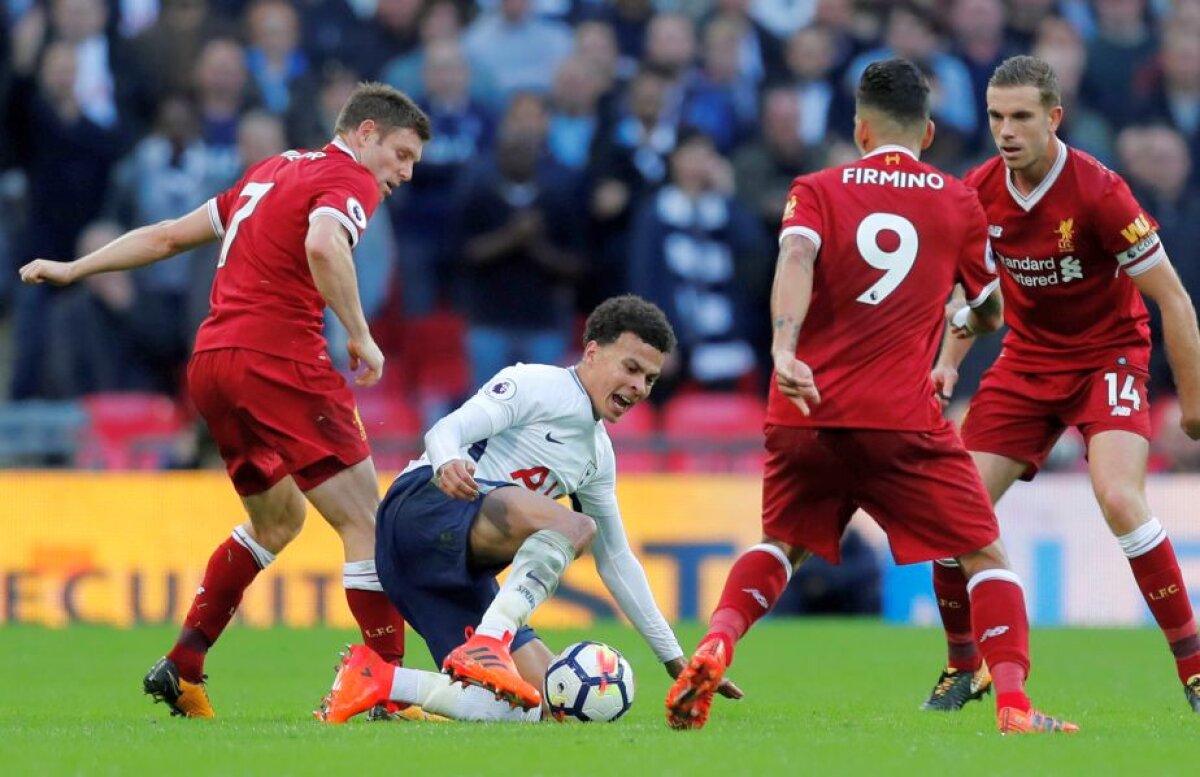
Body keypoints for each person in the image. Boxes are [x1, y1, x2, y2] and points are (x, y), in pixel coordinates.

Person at [664, 58, 1078, 736]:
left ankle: (715, 644)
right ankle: (1014, 706)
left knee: (780, 544)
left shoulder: (816, 188)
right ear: (929, 133)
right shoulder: (956, 199)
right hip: (899, 420)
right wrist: (963, 325)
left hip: (805, 410)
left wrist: (784, 349)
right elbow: (989, 309)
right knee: (985, 556)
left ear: (860, 131)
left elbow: (795, 261)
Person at [19, 82, 432, 718]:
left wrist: (75, 270)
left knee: (278, 521)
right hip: (279, 359)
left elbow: (164, 238)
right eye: (402, 154)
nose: (404, 173)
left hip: (213, 363)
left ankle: (184, 666)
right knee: (364, 524)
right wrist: (360, 334)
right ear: (366, 133)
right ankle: (387, 694)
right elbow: (325, 244)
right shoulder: (351, 181)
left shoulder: (271, 172)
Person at [922, 55, 1200, 715]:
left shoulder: (1101, 192)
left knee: (1119, 497)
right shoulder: (979, 190)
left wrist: (1193, 402)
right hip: (1026, 362)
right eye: (996, 116)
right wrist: (950, 358)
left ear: (1053, 117)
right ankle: (965, 667)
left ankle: (1193, 669)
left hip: (1108, 358)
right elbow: (977, 297)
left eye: (1021, 116)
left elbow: (1175, 300)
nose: (1006, 131)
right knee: (948, 512)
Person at [314, 295, 743, 722]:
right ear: (591, 352)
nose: (638, 387)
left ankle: (380, 680)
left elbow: (616, 562)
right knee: (577, 525)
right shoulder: (538, 384)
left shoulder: (598, 456)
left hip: (451, 570)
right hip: (425, 507)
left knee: (540, 706)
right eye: (631, 368)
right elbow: (449, 428)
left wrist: (675, 661)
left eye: (650, 379)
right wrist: (447, 459)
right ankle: (490, 640)